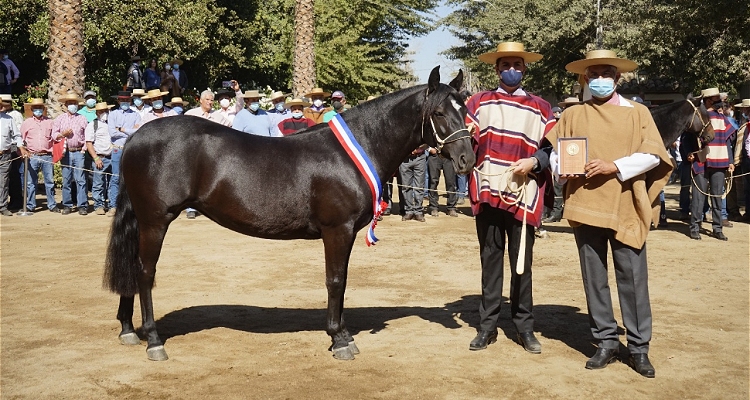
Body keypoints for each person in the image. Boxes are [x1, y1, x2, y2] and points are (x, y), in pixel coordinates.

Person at [547, 49, 673, 378]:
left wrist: (612, 166)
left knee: (632, 278)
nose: (600, 80)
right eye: (594, 75)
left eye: (606, 74)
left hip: (625, 203)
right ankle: (605, 341)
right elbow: (557, 155)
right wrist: (564, 171)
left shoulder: (638, 113)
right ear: (585, 79)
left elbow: (652, 155)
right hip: (586, 203)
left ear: (618, 78)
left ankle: (639, 347)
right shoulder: (573, 114)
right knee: (594, 279)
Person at [465, 42, 554, 355]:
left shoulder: (541, 107)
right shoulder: (477, 102)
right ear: (496, 69)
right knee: (490, 261)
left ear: (525, 68)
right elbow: (465, 141)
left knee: (521, 264)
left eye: (517, 64)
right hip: (488, 191)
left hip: (523, 193)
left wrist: (535, 162)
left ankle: (524, 327)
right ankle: (487, 327)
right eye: (505, 65)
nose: (511, 70)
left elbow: (550, 148)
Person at [685, 87, 737, 240]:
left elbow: (728, 141)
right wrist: (688, 153)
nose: (720, 103)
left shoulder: (722, 118)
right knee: (698, 197)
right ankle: (694, 226)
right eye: (716, 100)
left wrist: (731, 161)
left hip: (720, 162)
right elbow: (687, 139)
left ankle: (717, 228)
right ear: (708, 100)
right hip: (701, 161)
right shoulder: (696, 116)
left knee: (717, 196)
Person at [53, 91, 89, 215]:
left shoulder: (82, 119)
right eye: (71, 103)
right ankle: (67, 205)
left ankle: (82, 205)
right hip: (66, 153)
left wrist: (84, 149)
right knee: (66, 179)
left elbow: (87, 136)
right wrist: (63, 134)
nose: (73, 105)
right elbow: (53, 135)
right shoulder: (60, 119)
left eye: (75, 103)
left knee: (81, 180)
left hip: (79, 152)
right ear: (66, 105)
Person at [19, 98, 58, 212]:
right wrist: (22, 152)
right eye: (36, 108)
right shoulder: (27, 123)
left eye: (40, 108)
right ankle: (30, 205)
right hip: (32, 156)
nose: (38, 110)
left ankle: (52, 204)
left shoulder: (50, 122)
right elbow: (20, 139)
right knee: (31, 183)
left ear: (43, 109)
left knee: (50, 182)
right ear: (31, 109)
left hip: (47, 155)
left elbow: (55, 138)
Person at [108, 91, 141, 216]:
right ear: (118, 101)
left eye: (127, 100)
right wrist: (129, 131)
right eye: (122, 100)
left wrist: (121, 129)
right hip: (117, 148)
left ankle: (131, 206)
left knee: (131, 178)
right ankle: (113, 206)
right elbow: (112, 133)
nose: (125, 102)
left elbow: (137, 132)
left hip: (131, 149)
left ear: (130, 101)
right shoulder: (113, 114)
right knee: (115, 177)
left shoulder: (136, 115)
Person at [84, 102, 114, 215]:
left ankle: (112, 205)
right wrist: (96, 158)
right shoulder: (92, 125)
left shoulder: (112, 124)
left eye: (105, 111)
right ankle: (99, 205)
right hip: (100, 157)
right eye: (101, 111)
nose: (104, 113)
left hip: (113, 157)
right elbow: (89, 143)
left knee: (113, 182)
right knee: (98, 183)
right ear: (97, 113)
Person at [0, 94, 24, 211]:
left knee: (4, 181)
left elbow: (17, 135)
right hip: (9, 151)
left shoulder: (11, 118)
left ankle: (3, 205)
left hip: (6, 153)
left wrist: (20, 148)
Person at [427, 145, 458, 217]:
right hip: (434, 155)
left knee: (450, 181)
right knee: (433, 182)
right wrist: (429, 149)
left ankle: (451, 207)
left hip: (448, 156)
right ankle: (433, 207)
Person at [398, 146, 428, 222]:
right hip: (405, 158)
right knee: (406, 187)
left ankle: (418, 211)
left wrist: (418, 149)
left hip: (420, 157)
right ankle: (408, 211)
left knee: (419, 186)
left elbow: (426, 142)